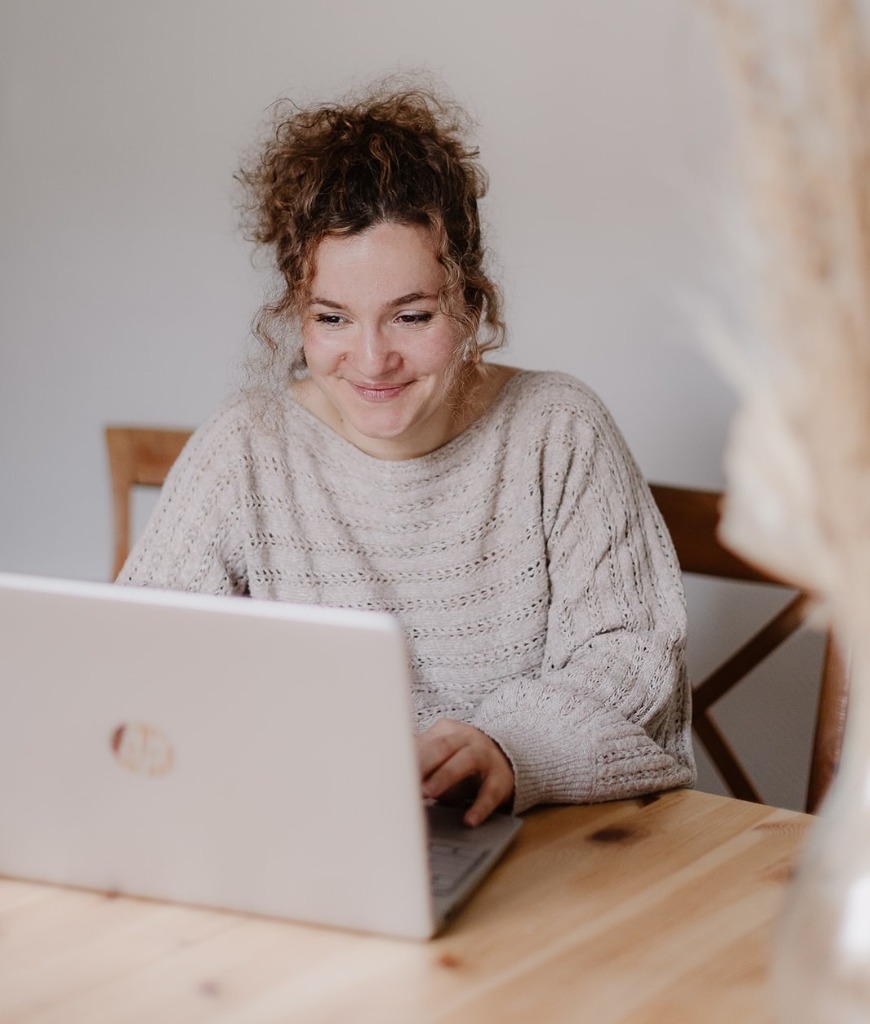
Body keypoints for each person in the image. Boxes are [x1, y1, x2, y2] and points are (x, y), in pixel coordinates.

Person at [118, 80, 696, 826]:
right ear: (297, 313)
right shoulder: (245, 448)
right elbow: (138, 661)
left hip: (534, 837)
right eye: (333, 318)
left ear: (471, 305)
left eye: (412, 316)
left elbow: (632, 657)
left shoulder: (559, 431)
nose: (371, 360)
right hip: (313, 829)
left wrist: (506, 747)